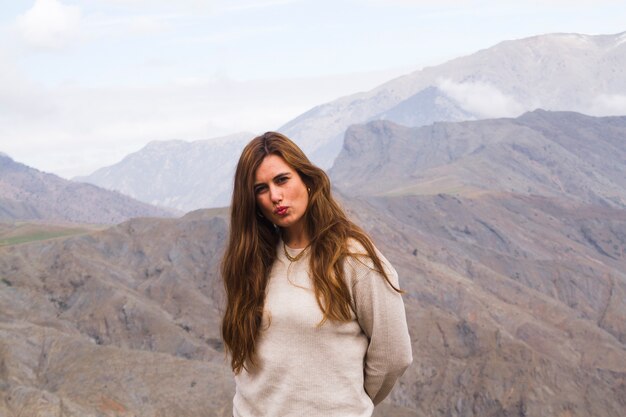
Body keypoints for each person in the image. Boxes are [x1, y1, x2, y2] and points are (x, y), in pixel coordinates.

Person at [221, 131, 412, 417]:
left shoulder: (353, 258)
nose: (275, 196)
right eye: (261, 189)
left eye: (282, 180)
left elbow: (393, 355)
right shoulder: (252, 261)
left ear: (307, 180)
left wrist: (347, 405)